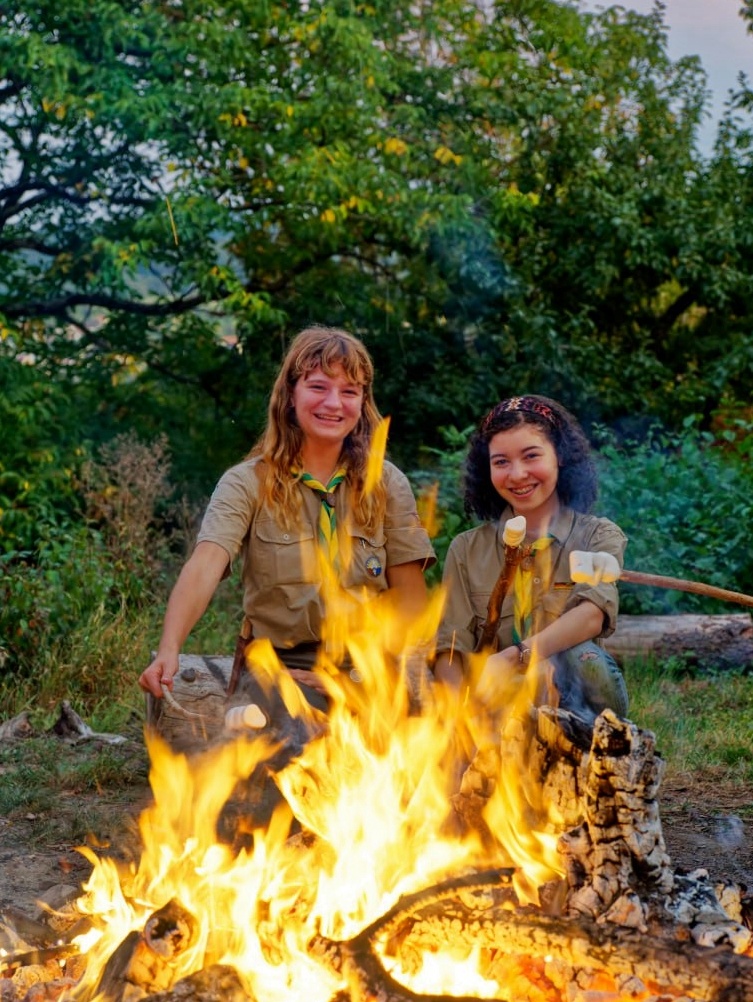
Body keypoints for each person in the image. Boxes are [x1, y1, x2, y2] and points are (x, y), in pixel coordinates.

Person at [139, 325, 436, 706]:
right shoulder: (247, 483)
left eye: (349, 391)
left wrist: (364, 676)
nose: (334, 403)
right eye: (318, 387)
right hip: (279, 666)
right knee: (293, 737)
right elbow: (205, 565)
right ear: (290, 395)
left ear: (363, 402)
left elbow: (410, 600)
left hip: (367, 664)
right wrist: (169, 647)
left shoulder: (386, 483)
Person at [433, 394, 628, 721]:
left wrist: (514, 657)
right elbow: (450, 646)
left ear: (560, 457)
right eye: (501, 462)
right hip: (495, 707)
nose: (517, 474)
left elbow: (593, 614)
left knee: (587, 659)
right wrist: (456, 714)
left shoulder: (597, 536)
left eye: (531, 455)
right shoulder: (466, 550)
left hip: (576, 704)